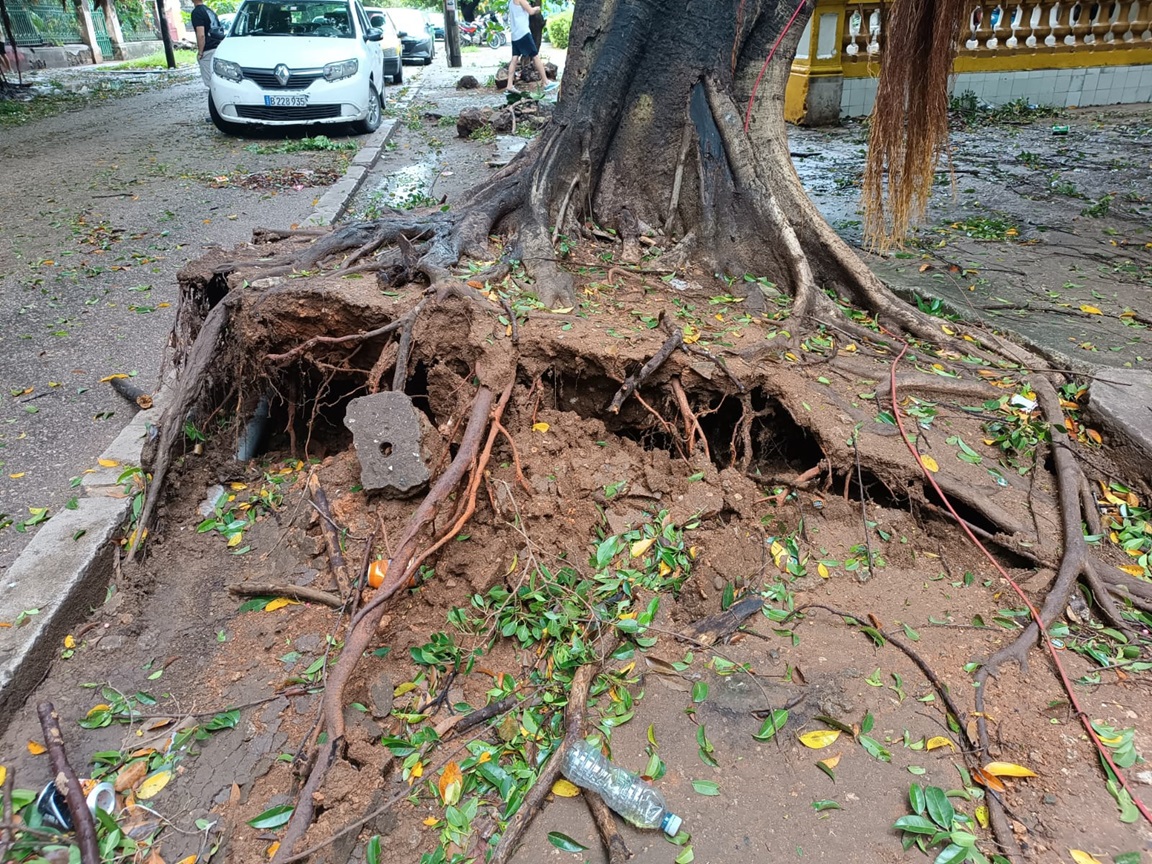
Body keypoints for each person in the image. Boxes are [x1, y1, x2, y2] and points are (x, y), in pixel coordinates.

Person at [507, 0, 554, 95]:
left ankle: (509, 85)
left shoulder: (511, 2)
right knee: (535, 56)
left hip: (515, 34)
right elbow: (531, 11)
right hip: (523, 33)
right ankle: (546, 82)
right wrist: (537, 8)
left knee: (514, 59)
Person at [191, 0, 226, 87]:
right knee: (220, 79)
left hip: (208, 49)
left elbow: (201, 35)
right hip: (218, 47)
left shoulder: (197, 12)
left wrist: (200, 52)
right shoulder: (210, 11)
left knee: (210, 82)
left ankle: (216, 100)